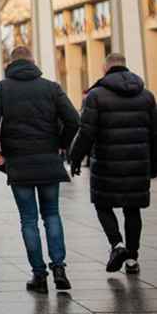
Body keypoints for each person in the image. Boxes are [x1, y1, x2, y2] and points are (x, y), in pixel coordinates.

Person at [0, 46, 80, 294]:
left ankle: (39, 275)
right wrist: (61, 144)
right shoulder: (51, 87)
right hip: (48, 160)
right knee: (52, 215)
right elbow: (73, 120)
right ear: (33, 62)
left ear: (11, 64)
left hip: (19, 163)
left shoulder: (1, 89)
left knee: (28, 220)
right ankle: (59, 268)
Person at [68, 53, 157, 274]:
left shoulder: (95, 96)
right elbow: (155, 134)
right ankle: (132, 260)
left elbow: (86, 132)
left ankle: (117, 245)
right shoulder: (146, 96)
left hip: (107, 164)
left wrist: (75, 158)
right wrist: (154, 164)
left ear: (105, 68)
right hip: (138, 163)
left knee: (103, 205)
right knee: (132, 209)